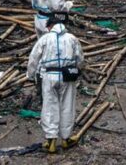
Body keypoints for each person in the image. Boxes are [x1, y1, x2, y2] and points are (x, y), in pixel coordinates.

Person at [26, 12, 84, 153]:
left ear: (51, 25)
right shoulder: (72, 38)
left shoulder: (45, 39)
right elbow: (80, 59)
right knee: (67, 106)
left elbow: (33, 58)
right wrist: (77, 70)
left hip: (49, 75)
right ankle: (66, 139)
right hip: (67, 76)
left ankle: (51, 141)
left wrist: (30, 75)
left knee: (49, 107)